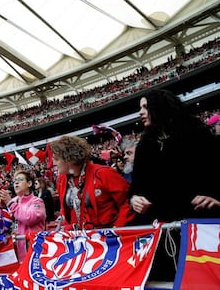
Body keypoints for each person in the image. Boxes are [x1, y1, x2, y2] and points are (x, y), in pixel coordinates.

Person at [129, 89, 220, 281]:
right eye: (140, 108)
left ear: (160, 107)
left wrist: (217, 198)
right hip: (162, 228)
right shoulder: (145, 144)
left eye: (145, 107)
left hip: (199, 225)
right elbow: (137, 184)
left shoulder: (197, 133)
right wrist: (135, 198)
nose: (140, 112)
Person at [49, 135, 135, 231]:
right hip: (79, 239)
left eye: (56, 159)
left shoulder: (103, 173)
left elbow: (128, 201)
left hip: (107, 238)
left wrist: (117, 228)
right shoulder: (61, 180)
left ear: (69, 158)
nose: (53, 163)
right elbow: (67, 213)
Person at [0, 170, 46, 263]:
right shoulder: (13, 200)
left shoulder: (37, 201)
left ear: (29, 183)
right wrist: (1, 208)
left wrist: (10, 204)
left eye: (20, 180)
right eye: (15, 180)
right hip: (16, 251)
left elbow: (29, 219)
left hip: (33, 251)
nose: (16, 182)